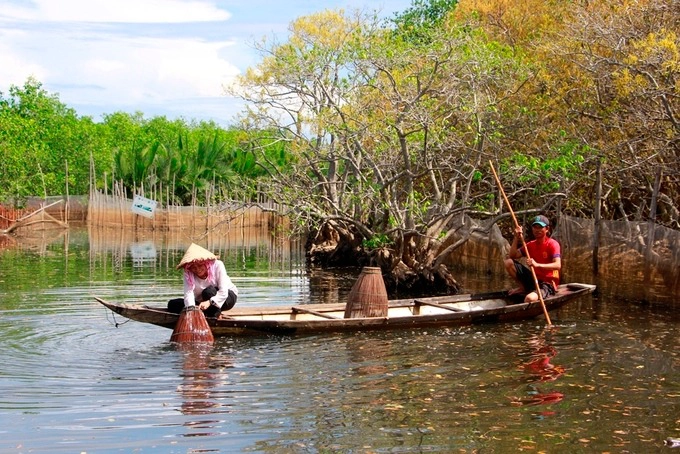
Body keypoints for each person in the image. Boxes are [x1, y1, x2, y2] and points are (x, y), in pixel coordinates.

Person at [168, 243, 238, 318]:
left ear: (205, 262)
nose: (197, 270)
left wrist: (209, 302)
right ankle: (203, 313)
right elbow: (188, 293)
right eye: (193, 267)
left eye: (200, 265)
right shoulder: (188, 273)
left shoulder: (218, 265)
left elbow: (224, 292)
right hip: (202, 301)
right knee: (173, 304)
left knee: (208, 292)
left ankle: (214, 315)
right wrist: (191, 309)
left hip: (227, 297)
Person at [504, 215, 561, 303]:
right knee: (508, 262)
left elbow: (557, 265)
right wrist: (516, 237)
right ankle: (523, 288)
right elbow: (513, 255)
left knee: (529, 299)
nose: (537, 230)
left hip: (547, 283)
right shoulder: (530, 245)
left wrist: (537, 265)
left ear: (547, 229)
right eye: (535, 227)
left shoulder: (553, 244)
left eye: (540, 227)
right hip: (534, 280)